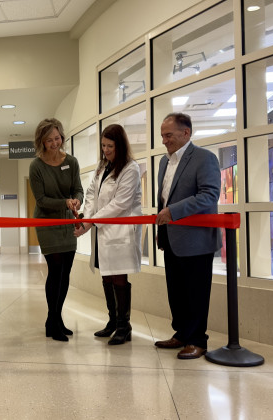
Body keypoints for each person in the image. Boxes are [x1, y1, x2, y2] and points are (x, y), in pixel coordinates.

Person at [155, 112, 221, 359]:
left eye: (168, 135)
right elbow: (164, 197)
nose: (164, 140)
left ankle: (197, 340)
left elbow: (209, 195)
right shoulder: (164, 162)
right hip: (171, 238)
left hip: (196, 241)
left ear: (186, 133)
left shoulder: (205, 158)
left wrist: (173, 211)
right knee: (176, 291)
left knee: (196, 292)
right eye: (162, 135)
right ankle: (181, 334)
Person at [74, 124, 142, 345]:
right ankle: (113, 321)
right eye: (103, 145)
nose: (106, 150)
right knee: (106, 274)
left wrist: (91, 221)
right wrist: (86, 219)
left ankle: (124, 326)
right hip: (103, 229)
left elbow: (120, 204)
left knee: (119, 276)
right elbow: (92, 195)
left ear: (119, 145)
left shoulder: (130, 168)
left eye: (110, 146)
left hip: (120, 231)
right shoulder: (102, 167)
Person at [29, 118, 83, 342]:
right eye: (49, 139)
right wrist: (65, 203)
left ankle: (55, 320)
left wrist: (77, 201)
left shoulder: (71, 161)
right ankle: (53, 319)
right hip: (47, 223)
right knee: (56, 270)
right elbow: (41, 200)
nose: (54, 143)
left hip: (67, 223)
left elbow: (78, 189)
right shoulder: (36, 166)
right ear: (42, 140)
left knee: (66, 272)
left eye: (57, 137)